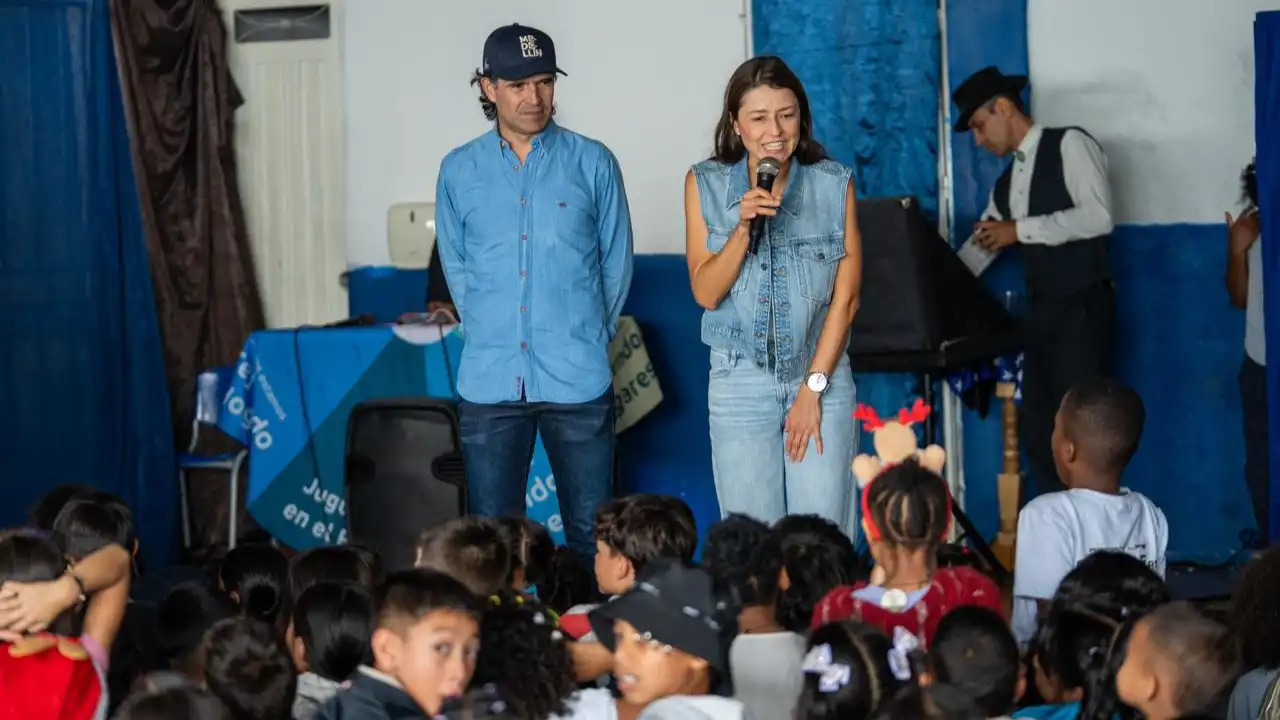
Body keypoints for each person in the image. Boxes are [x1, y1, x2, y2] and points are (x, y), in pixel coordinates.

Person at [434, 23, 634, 564]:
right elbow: (457, 268)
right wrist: (487, 331)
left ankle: (590, 619)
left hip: (578, 377)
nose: (534, 98)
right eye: (518, 84)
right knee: (492, 540)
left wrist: (587, 335)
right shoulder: (458, 170)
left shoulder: (593, 162)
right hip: (491, 380)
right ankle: (506, 622)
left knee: (593, 534)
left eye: (544, 82)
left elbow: (616, 265)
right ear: (488, 87)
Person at [684, 55, 863, 529]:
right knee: (753, 545)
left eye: (786, 114)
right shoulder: (704, 184)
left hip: (819, 378)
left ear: (801, 117)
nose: (775, 131)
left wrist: (812, 389)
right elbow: (705, 293)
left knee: (820, 541)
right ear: (736, 124)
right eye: (759, 117)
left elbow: (846, 300)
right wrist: (743, 229)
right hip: (739, 382)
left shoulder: (834, 184)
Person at [952, 66, 1115, 498]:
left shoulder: (1070, 144)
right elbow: (983, 246)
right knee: (1042, 427)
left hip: (1082, 308)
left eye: (979, 126)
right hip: (1042, 316)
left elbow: (1098, 216)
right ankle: (1057, 522)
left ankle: (1091, 527)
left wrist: (1018, 230)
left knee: (1084, 428)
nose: (979, 140)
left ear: (1004, 108)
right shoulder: (1007, 183)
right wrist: (934, 283)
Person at [1010, 379, 1167, 647]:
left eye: (1056, 428)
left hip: (1060, 663)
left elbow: (1049, 614)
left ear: (1069, 450)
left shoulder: (1045, 515)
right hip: (1131, 657)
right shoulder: (1151, 514)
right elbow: (1153, 604)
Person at [1226, 159, 1267, 545]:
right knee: (1261, 466)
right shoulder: (1251, 225)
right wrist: (1236, 251)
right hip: (1259, 363)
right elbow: (1239, 297)